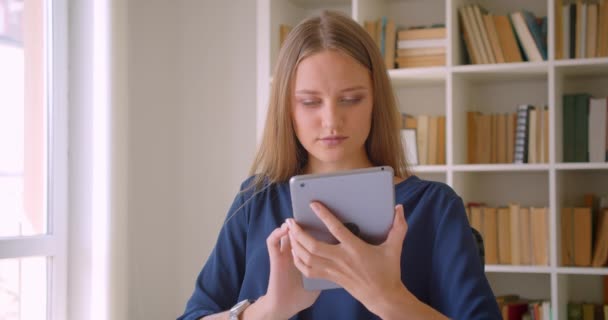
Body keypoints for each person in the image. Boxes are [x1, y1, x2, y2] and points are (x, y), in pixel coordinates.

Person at [178, 10, 501, 320]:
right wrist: (270, 309)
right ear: (287, 109)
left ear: (376, 101)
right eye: (310, 102)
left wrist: (388, 297)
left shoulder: (434, 207)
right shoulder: (254, 201)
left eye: (351, 99)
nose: (331, 120)